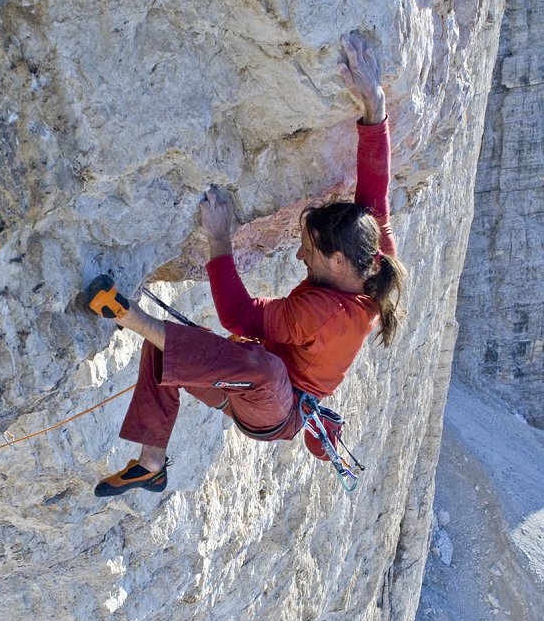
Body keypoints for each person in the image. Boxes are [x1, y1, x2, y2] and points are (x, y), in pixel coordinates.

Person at [89, 33, 406, 497]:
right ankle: (150, 463)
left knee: (263, 368)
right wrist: (374, 105)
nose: (299, 256)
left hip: (271, 410)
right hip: (246, 388)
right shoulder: (372, 261)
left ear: (338, 261)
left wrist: (220, 238)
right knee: (169, 351)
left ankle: (128, 316)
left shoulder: (322, 312)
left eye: (309, 251)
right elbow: (374, 196)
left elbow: (237, 316)